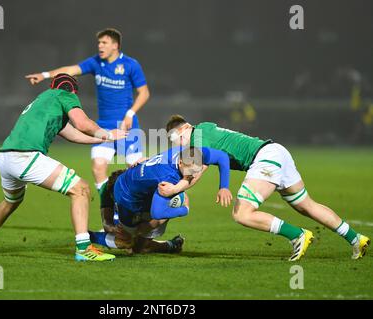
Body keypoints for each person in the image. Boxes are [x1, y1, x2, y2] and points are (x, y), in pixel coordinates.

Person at [0, 74, 126, 262]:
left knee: (10, 202)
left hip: (5, 158)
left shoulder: (44, 100)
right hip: (25, 156)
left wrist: (100, 139)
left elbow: (72, 134)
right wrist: (107, 134)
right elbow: (82, 124)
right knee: (81, 189)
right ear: (73, 91)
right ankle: (83, 249)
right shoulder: (66, 95)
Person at [164, 115, 370, 261]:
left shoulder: (198, 137)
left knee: (242, 214)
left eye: (178, 138)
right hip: (275, 151)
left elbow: (195, 173)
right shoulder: (204, 129)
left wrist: (174, 190)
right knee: (307, 205)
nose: (181, 145)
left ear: (186, 128)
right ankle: (356, 239)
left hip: (264, 159)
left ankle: (297, 235)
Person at [25, 28, 150, 199]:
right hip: (103, 126)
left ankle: (143, 210)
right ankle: (110, 215)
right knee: (98, 167)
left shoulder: (130, 64)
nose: (100, 46)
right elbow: (70, 69)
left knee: (135, 169)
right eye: (99, 42)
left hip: (127, 126)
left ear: (115, 45)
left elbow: (144, 93)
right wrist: (44, 75)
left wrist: (130, 113)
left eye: (104, 42)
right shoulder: (96, 62)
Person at [89, 146, 232, 254]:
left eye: (196, 171)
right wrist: (184, 210)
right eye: (190, 171)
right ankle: (91, 236)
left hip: (137, 185)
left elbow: (222, 156)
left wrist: (224, 187)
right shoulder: (167, 179)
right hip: (127, 198)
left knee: (139, 245)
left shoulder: (189, 151)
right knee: (126, 241)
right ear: (181, 162)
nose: (192, 175)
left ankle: (152, 243)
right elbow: (157, 213)